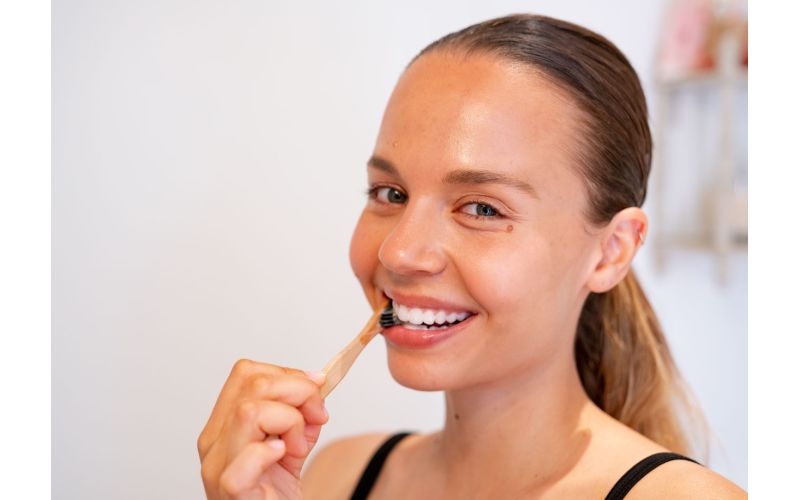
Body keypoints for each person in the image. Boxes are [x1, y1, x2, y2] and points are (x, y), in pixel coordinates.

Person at [197, 14, 746, 499]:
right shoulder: (330, 478)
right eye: (390, 194)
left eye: (482, 208)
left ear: (611, 251)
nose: (399, 251)